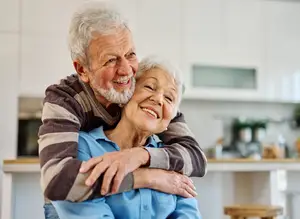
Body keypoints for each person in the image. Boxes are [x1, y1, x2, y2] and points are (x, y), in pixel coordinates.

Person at [38, 2, 207, 218]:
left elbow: (197, 158)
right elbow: (58, 182)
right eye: (111, 60)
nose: (126, 70)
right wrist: (147, 176)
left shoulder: (145, 100)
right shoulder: (66, 101)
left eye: (130, 54)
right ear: (83, 69)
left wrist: (140, 155)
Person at [52, 56, 202, 219]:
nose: (158, 99)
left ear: (170, 120)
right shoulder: (83, 146)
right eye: (150, 87)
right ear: (125, 96)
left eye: (169, 98)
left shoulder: (172, 159)